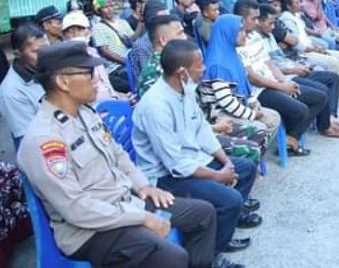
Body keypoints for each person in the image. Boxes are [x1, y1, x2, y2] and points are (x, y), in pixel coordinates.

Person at [17, 41, 221, 268]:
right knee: (171, 257)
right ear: (63, 82)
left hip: (126, 202)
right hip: (91, 231)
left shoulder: (85, 113)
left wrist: (144, 187)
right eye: (89, 73)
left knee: (203, 214)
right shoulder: (44, 140)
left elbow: (119, 155)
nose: (97, 80)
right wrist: (142, 218)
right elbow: (77, 209)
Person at [133, 40, 261, 260]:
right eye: (199, 64)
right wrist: (218, 176)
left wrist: (225, 161)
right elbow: (175, 164)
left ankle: (226, 225)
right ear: (182, 72)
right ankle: (213, 255)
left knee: (246, 168)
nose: (204, 69)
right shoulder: (156, 106)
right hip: (166, 177)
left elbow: (201, 129)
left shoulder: (186, 89)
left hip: (191, 160)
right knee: (229, 199)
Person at [234, 0, 329, 155]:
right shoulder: (238, 41)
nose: (257, 22)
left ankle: (290, 137)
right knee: (300, 110)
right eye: (254, 19)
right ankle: (288, 141)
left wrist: (284, 82)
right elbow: (252, 77)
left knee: (320, 96)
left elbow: (269, 63)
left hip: (274, 83)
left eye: (259, 18)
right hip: (259, 91)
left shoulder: (255, 37)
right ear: (241, 19)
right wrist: (281, 87)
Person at [252, 4, 339, 138]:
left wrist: (296, 68)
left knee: (332, 78)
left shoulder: (267, 35)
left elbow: (274, 62)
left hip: (288, 72)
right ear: (259, 21)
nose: (273, 27)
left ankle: (330, 117)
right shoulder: (254, 40)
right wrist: (289, 75)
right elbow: (265, 70)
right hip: (280, 79)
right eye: (270, 23)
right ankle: (306, 132)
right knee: (321, 94)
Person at [202, 15, 281, 165]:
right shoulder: (218, 63)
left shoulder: (232, 54)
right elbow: (225, 101)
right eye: (241, 32)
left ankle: (253, 160)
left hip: (239, 106)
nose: (245, 35)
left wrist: (253, 104)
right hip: (220, 114)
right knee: (259, 127)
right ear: (228, 33)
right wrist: (252, 115)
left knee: (273, 117)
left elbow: (245, 87)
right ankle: (242, 164)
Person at [278, 0, 339, 97]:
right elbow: (297, 44)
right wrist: (316, 50)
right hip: (302, 53)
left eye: (300, 1)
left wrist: (317, 46)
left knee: (338, 55)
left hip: (309, 47)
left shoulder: (296, 15)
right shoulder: (286, 19)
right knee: (332, 61)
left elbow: (304, 33)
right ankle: (335, 90)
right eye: (297, 3)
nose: (301, 5)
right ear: (288, 6)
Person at [61, 11, 124, 103]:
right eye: (70, 31)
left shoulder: (93, 52)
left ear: (89, 32)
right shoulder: (66, 60)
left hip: (112, 103)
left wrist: (118, 96)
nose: (75, 34)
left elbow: (104, 83)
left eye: (80, 29)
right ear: (63, 36)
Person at [0, 24, 47, 146]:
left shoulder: (47, 67)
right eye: (36, 52)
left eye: (46, 49)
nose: (44, 56)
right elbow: (29, 141)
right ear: (18, 54)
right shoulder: (11, 92)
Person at [92, 0, 138, 93]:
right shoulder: (98, 27)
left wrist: (142, 23)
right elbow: (104, 51)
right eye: (105, 7)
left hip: (130, 64)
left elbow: (133, 39)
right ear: (99, 11)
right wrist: (125, 61)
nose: (109, 9)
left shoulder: (123, 23)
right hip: (116, 69)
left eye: (111, 6)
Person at [136, 15, 187, 98]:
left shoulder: (172, 63)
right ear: (163, 40)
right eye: (180, 33)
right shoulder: (157, 72)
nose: (185, 38)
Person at [129, 0, 169, 81]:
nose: (167, 21)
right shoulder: (142, 46)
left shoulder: (166, 36)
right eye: (163, 19)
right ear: (152, 21)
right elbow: (151, 76)